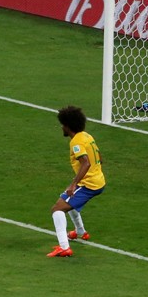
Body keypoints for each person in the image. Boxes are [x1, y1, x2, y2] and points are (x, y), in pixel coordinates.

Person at [47, 106, 105, 258]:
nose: (61, 128)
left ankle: (64, 247)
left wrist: (73, 184)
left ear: (68, 126)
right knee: (67, 200)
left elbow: (85, 163)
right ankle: (80, 232)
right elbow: (99, 157)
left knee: (57, 209)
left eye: (63, 124)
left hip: (89, 185)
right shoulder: (86, 136)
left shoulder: (76, 143)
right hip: (97, 180)